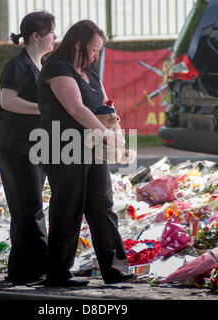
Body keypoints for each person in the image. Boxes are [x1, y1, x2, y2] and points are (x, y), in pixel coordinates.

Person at [36, 19, 136, 287]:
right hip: (63, 147)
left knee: (102, 207)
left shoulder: (89, 72)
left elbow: (105, 106)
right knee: (68, 208)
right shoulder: (57, 66)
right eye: (93, 49)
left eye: (99, 50)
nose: (96, 55)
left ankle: (116, 270)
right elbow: (75, 108)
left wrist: (117, 130)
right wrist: (104, 133)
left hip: (92, 149)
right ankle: (58, 273)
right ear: (78, 44)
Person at [0, 10, 57, 285]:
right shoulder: (17, 66)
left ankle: (22, 270)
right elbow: (8, 101)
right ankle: (38, 268)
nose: (55, 37)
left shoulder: (40, 64)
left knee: (26, 209)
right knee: (29, 209)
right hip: (15, 147)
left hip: (31, 145)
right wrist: (43, 109)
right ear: (36, 36)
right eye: (52, 31)